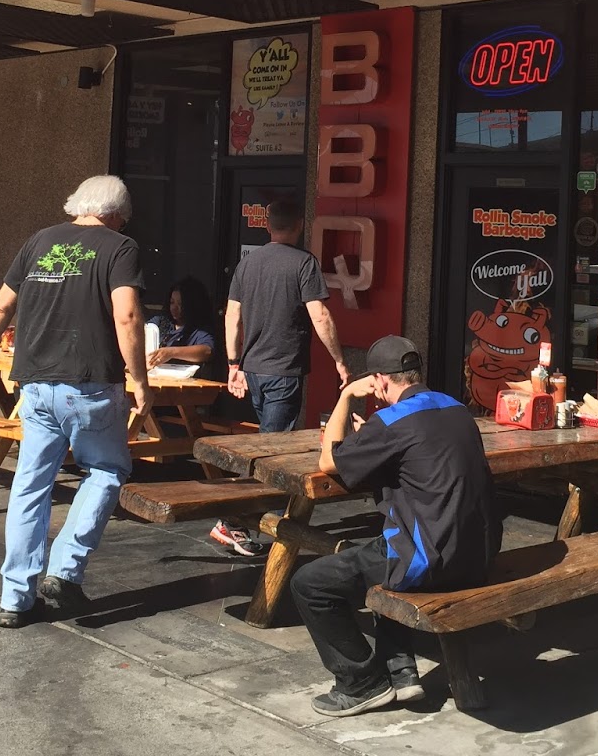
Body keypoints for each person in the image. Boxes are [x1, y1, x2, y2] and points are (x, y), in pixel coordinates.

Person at [290, 336, 501, 717]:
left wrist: (345, 398)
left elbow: (328, 461)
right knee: (387, 545)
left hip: (433, 563)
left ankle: (361, 684)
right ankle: (401, 673)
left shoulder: (387, 421)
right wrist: (372, 436)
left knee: (310, 583)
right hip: (477, 557)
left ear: (380, 381)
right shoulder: (458, 409)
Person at [0, 175, 148, 628]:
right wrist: (140, 381)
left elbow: (1, 305)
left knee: (30, 485)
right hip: (90, 383)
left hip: (34, 382)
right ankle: (65, 571)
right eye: (124, 216)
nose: (123, 223)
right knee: (106, 470)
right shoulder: (119, 247)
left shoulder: (39, 240)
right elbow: (126, 315)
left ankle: (15, 597)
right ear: (114, 213)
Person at [213, 197, 346, 556]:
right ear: (300, 224)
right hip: (283, 370)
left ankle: (259, 516)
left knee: (265, 444)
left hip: (253, 369)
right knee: (273, 451)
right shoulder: (304, 263)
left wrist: (232, 364)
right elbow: (320, 316)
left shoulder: (248, 263)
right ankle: (235, 521)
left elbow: (232, 317)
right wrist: (339, 360)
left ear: (267, 225)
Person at [145, 277, 218, 375]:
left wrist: (171, 353)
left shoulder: (200, 329)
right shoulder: (160, 322)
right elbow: (144, 331)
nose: (174, 308)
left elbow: (207, 351)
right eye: (172, 302)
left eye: (180, 304)